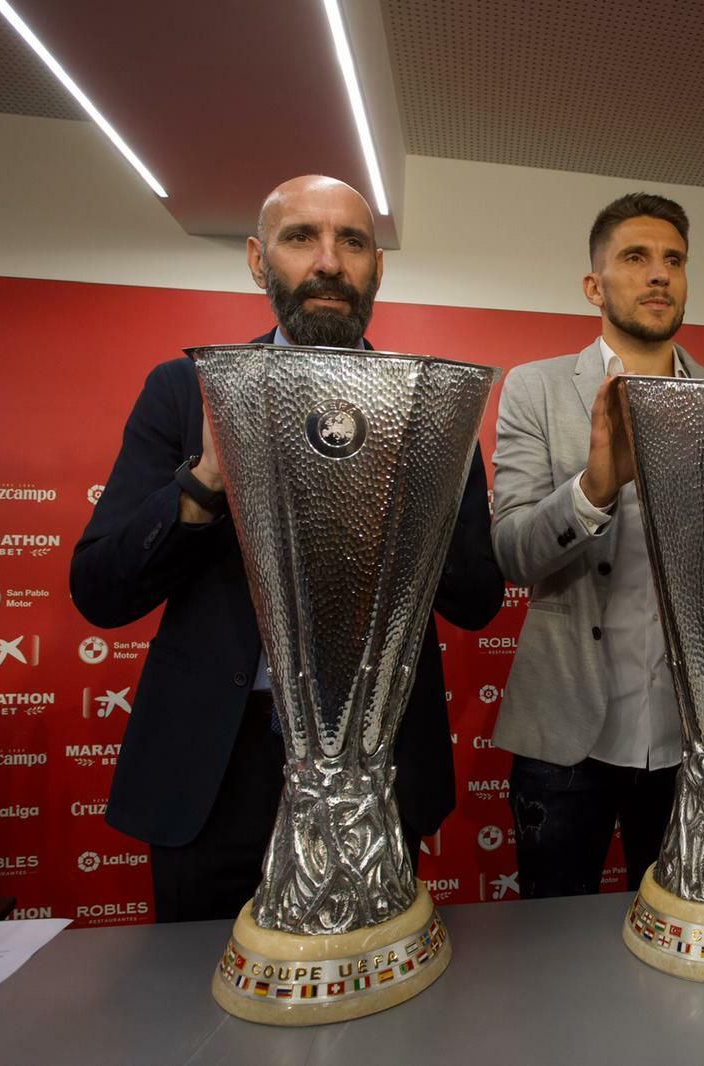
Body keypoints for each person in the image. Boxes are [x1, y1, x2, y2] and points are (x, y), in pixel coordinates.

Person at [70, 175, 502, 922]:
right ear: (256, 259)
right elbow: (100, 591)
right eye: (301, 237)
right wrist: (205, 481)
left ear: (377, 267)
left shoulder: (430, 406)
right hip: (216, 770)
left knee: (377, 1007)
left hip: (379, 768)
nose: (329, 262)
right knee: (194, 1010)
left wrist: (412, 499)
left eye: (353, 242)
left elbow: (478, 600)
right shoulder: (184, 392)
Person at [489, 192, 704, 897]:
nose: (659, 275)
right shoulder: (535, 389)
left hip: (692, 736)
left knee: (683, 931)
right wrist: (594, 489)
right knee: (554, 947)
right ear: (595, 286)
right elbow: (511, 552)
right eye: (636, 258)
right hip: (566, 736)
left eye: (674, 261)